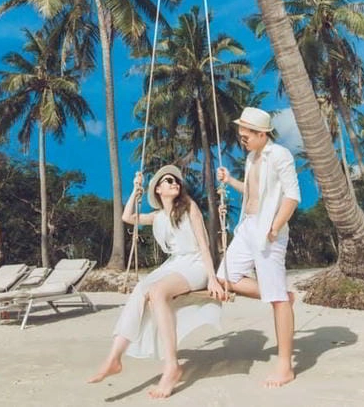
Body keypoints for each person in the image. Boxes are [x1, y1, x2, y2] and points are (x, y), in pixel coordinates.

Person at [88, 164, 225, 399]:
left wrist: (212, 278)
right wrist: (135, 191)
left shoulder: (189, 207)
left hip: (195, 264)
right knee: (140, 291)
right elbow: (127, 217)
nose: (174, 183)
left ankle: (172, 366)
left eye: (176, 181)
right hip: (174, 264)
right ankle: (114, 358)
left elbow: (204, 244)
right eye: (168, 180)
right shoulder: (157, 217)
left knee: (157, 292)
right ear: (158, 190)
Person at [217, 107, 301, 388]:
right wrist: (230, 181)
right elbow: (254, 192)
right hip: (247, 225)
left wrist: (275, 226)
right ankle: (283, 296)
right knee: (225, 277)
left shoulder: (279, 155)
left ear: (262, 134)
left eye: (246, 137)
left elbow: (292, 196)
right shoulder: (252, 157)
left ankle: (285, 366)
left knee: (277, 300)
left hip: (269, 230)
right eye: (241, 136)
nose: (242, 141)